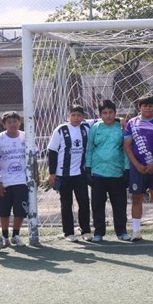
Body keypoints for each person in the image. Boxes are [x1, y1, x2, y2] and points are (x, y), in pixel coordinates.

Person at [0, 111, 37, 247]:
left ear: (19, 122)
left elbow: (33, 157)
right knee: (4, 212)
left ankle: (16, 235)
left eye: (15, 121)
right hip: (4, 181)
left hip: (21, 180)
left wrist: (36, 175)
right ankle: (5, 237)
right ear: (4, 125)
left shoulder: (26, 137)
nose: (12, 124)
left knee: (20, 211)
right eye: (9, 122)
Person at [123, 96, 153, 242]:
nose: (147, 108)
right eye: (144, 105)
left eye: (150, 106)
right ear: (139, 107)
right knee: (136, 198)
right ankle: (136, 231)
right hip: (137, 167)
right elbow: (127, 146)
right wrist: (137, 165)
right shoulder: (132, 123)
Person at [47, 104, 92, 242]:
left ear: (83, 117)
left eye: (79, 115)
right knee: (66, 204)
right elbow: (52, 151)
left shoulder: (86, 128)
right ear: (68, 116)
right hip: (63, 174)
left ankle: (86, 230)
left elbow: (100, 120)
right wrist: (52, 173)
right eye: (73, 115)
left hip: (80, 174)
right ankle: (68, 233)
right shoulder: (61, 130)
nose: (76, 118)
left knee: (84, 202)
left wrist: (119, 120)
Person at [85, 100, 129, 242]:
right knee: (97, 204)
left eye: (111, 112)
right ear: (100, 114)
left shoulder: (122, 127)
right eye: (104, 113)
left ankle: (121, 231)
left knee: (119, 204)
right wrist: (88, 168)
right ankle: (99, 232)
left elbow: (126, 150)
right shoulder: (95, 128)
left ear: (115, 113)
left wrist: (127, 169)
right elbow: (90, 149)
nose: (108, 115)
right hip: (98, 173)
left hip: (117, 173)